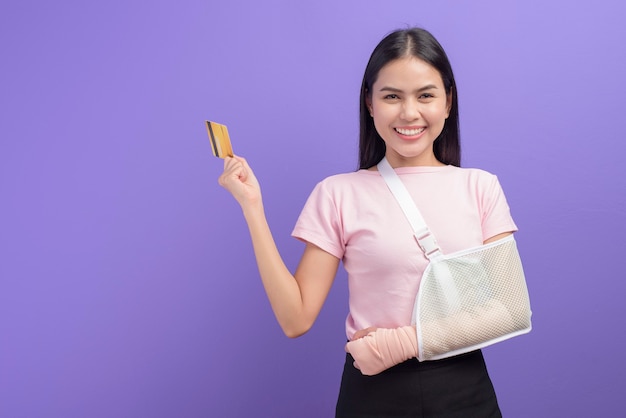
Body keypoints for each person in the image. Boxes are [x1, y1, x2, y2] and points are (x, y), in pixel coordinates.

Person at [219, 27, 518, 417]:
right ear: (370, 104)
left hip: (466, 393)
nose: (409, 113)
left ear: (448, 102)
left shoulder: (480, 187)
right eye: (392, 96)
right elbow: (296, 319)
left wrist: (402, 342)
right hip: (373, 397)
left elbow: (510, 309)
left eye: (425, 95)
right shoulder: (338, 193)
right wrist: (252, 208)